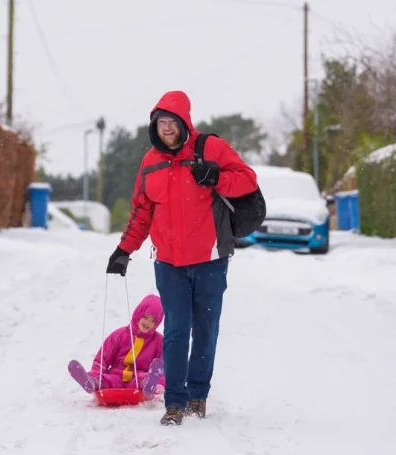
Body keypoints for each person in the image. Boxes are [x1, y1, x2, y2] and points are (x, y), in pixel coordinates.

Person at [105, 90, 258, 426]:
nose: (167, 128)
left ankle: (198, 395)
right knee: (176, 330)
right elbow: (141, 213)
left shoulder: (211, 149)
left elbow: (248, 180)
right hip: (169, 264)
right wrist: (124, 250)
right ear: (155, 126)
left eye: (172, 121)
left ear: (184, 122)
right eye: (161, 122)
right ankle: (174, 402)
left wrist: (217, 177)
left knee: (205, 328)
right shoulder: (150, 163)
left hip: (210, 259)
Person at [68, 294, 165, 397]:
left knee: (144, 378)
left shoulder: (158, 341)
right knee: (105, 380)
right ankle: (91, 382)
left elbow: (163, 365)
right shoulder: (121, 335)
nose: (148, 323)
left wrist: (160, 383)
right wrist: (96, 373)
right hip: (116, 376)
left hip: (138, 378)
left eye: (153, 321)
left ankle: (150, 385)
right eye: (145, 317)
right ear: (139, 314)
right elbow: (103, 358)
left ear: (157, 323)